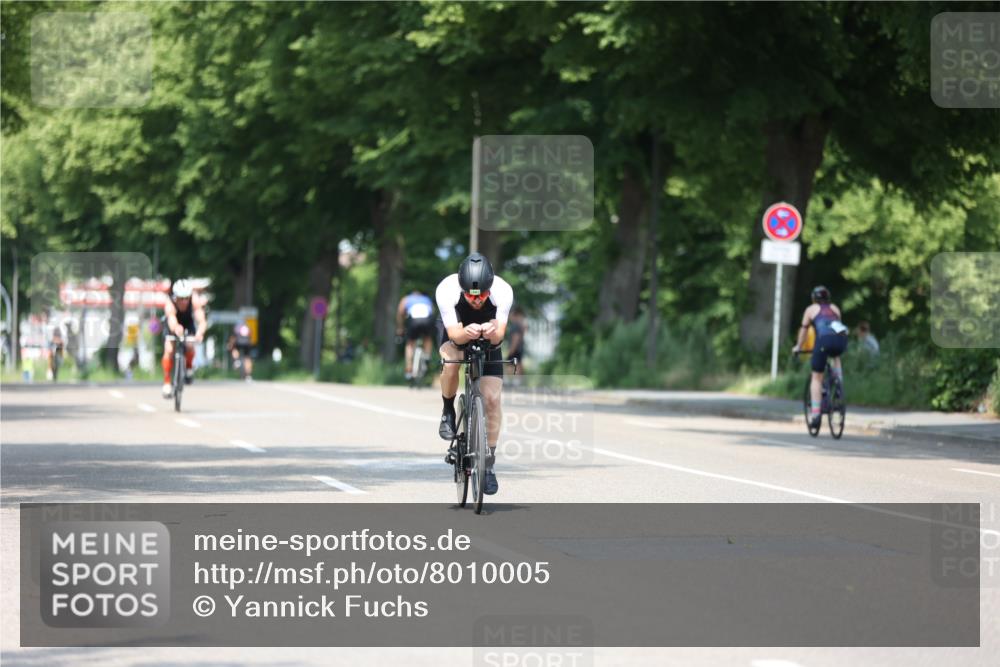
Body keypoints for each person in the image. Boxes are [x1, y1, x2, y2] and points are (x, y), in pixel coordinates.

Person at [435, 253, 513, 496]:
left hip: (488, 338)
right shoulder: (447, 289)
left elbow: (499, 335)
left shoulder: (503, 291)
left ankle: (488, 464)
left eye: (482, 295)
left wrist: (491, 332)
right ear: (461, 288)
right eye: (470, 295)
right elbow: (455, 336)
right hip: (457, 330)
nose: (477, 300)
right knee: (451, 362)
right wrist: (466, 332)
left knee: (491, 399)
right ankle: (448, 410)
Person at [792, 286, 849, 429]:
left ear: (813, 298)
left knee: (816, 377)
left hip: (823, 341)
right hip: (841, 340)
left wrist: (799, 347)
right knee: (835, 356)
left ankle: (816, 415)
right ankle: (838, 385)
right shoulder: (835, 308)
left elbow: (804, 331)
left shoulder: (810, 310)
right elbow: (836, 327)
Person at [161, 279, 207, 398]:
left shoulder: (194, 300)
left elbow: (201, 320)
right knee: (169, 349)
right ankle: (167, 382)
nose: (184, 301)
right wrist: (176, 328)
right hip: (174, 324)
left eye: (186, 298)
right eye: (181, 298)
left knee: (190, 345)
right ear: (175, 297)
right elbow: (171, 319)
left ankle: (189, 368)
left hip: (187, 323)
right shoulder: (170, 302)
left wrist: (200, 333)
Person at [396, 289, 435, 380]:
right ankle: (427, 357)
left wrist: (400, 328)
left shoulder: (406, 299)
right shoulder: (426, 299)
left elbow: (400, 313)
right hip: (427, 320)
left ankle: (409, 369)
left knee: (410, 343)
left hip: (413, 321)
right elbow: (432, 311)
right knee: (427, 338)